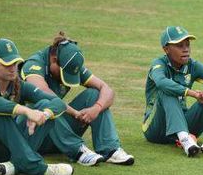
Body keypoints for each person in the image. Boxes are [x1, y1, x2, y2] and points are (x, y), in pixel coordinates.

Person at [0, 38, 74, 175]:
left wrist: (43, 115)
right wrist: (27, 111)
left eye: (15, 63)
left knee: (44, 107)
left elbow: (57, 103)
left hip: (7, 150)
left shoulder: (19, 85)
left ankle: (14, 165)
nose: (13, 68)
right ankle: (36, 167)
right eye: (7, 64)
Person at [21, 32, 134, 165]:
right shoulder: (34, 64)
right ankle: (78, 151)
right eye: (64, 74)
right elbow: (44, 93)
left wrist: (96, 108)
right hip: (31, 134)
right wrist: (74, 113)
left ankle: (110, 150)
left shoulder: (70, 64)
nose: (66, 80)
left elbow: (107, 89)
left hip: (57, 134)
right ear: (53, 59)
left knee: (95, 94)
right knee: (46, 103)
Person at [142, 25, 203, 157]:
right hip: (156, 129)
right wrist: (193, 94)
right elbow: (161, 82)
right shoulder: (158, 64)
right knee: (167, 90)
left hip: (185, 123)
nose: (185, 49)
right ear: (166, 49)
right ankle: (184, 139)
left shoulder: (192, 65)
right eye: (179, 45)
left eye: (187, 45)